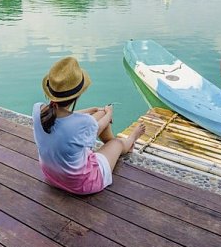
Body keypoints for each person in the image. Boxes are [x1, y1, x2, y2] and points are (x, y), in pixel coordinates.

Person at [32, 56, 145, 195]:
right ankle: (130, 140)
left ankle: (111, 148)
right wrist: (109, 112)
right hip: (82, 183)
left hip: (53, 177)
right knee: (116, 142)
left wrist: (91, 110)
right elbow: (97, 126)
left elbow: (67, 120)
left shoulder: (38, 110)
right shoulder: (85, 123)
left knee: (97, 117)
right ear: (78, 95)